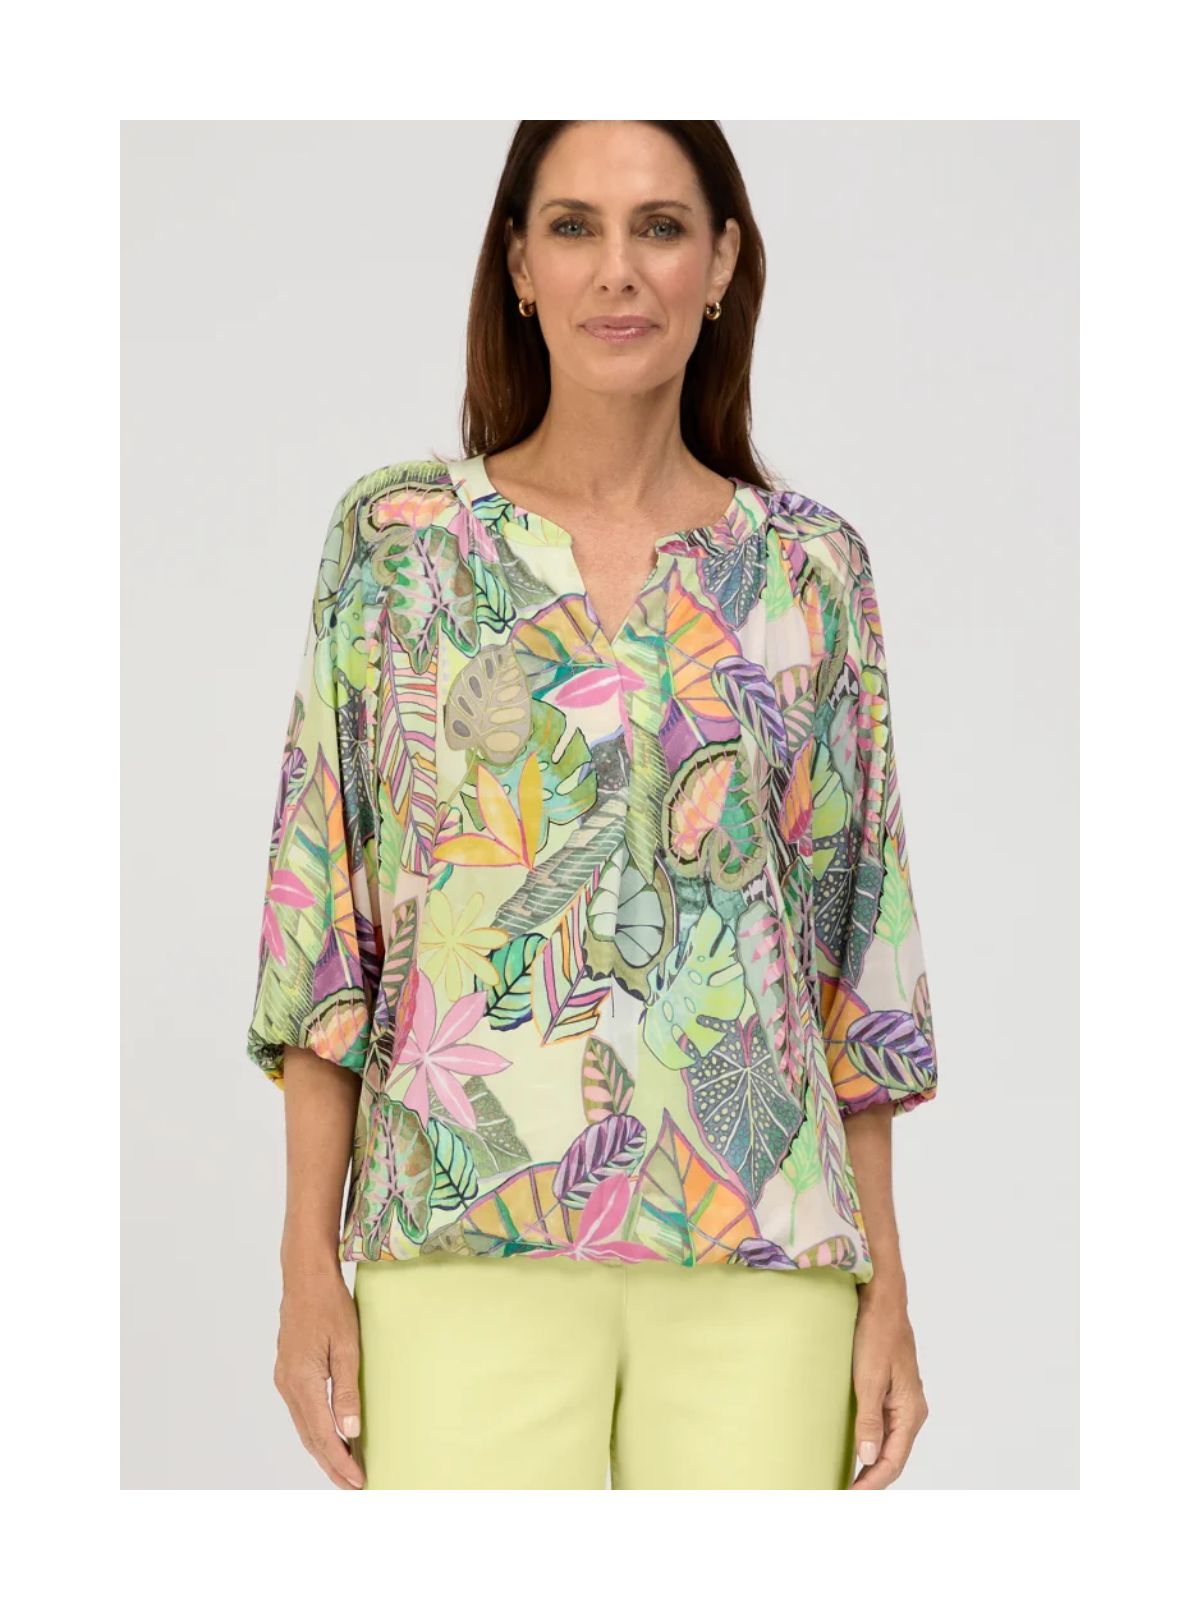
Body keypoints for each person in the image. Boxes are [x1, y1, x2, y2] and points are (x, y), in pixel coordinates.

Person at [246, 120, 939, 1491]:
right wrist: (304, 1266)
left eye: (660, 227)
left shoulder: (810, 571)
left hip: (765, 1262)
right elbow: (322, 916)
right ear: (518, 264)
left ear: (722, 263)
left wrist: (889, 1288)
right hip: (459, 1251)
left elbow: (853, 960)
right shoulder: (401, 548)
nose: (617, 269)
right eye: (573, 227)